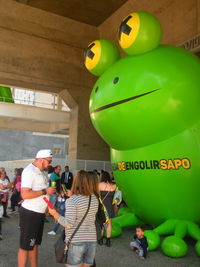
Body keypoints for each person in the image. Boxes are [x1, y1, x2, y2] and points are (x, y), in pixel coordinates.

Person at [49, 170, 98, 267]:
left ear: (75, 182)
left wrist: (54, 214)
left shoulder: (72, 200)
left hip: (76, 241)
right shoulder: (94, 198)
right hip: (91, 240)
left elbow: (68, 223)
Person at [17, 149, 56, 267]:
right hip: (30, 213)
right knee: (25, 247)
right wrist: (45, 191)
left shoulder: (40, 171)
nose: (50, 164)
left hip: (38, 213)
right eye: (49, 161)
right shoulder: (29, 171)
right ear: (41, 159)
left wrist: (49, 207)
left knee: (34, 245)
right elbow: (25, 194)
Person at [99, 171, 117, 247]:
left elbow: (97, 196)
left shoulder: (99, 185)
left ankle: (100, 240)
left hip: (101, 207)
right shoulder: (114, 186)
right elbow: (116, 198)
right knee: (108, 224)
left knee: (101, 223)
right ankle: (108, 240)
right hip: (110, 207)